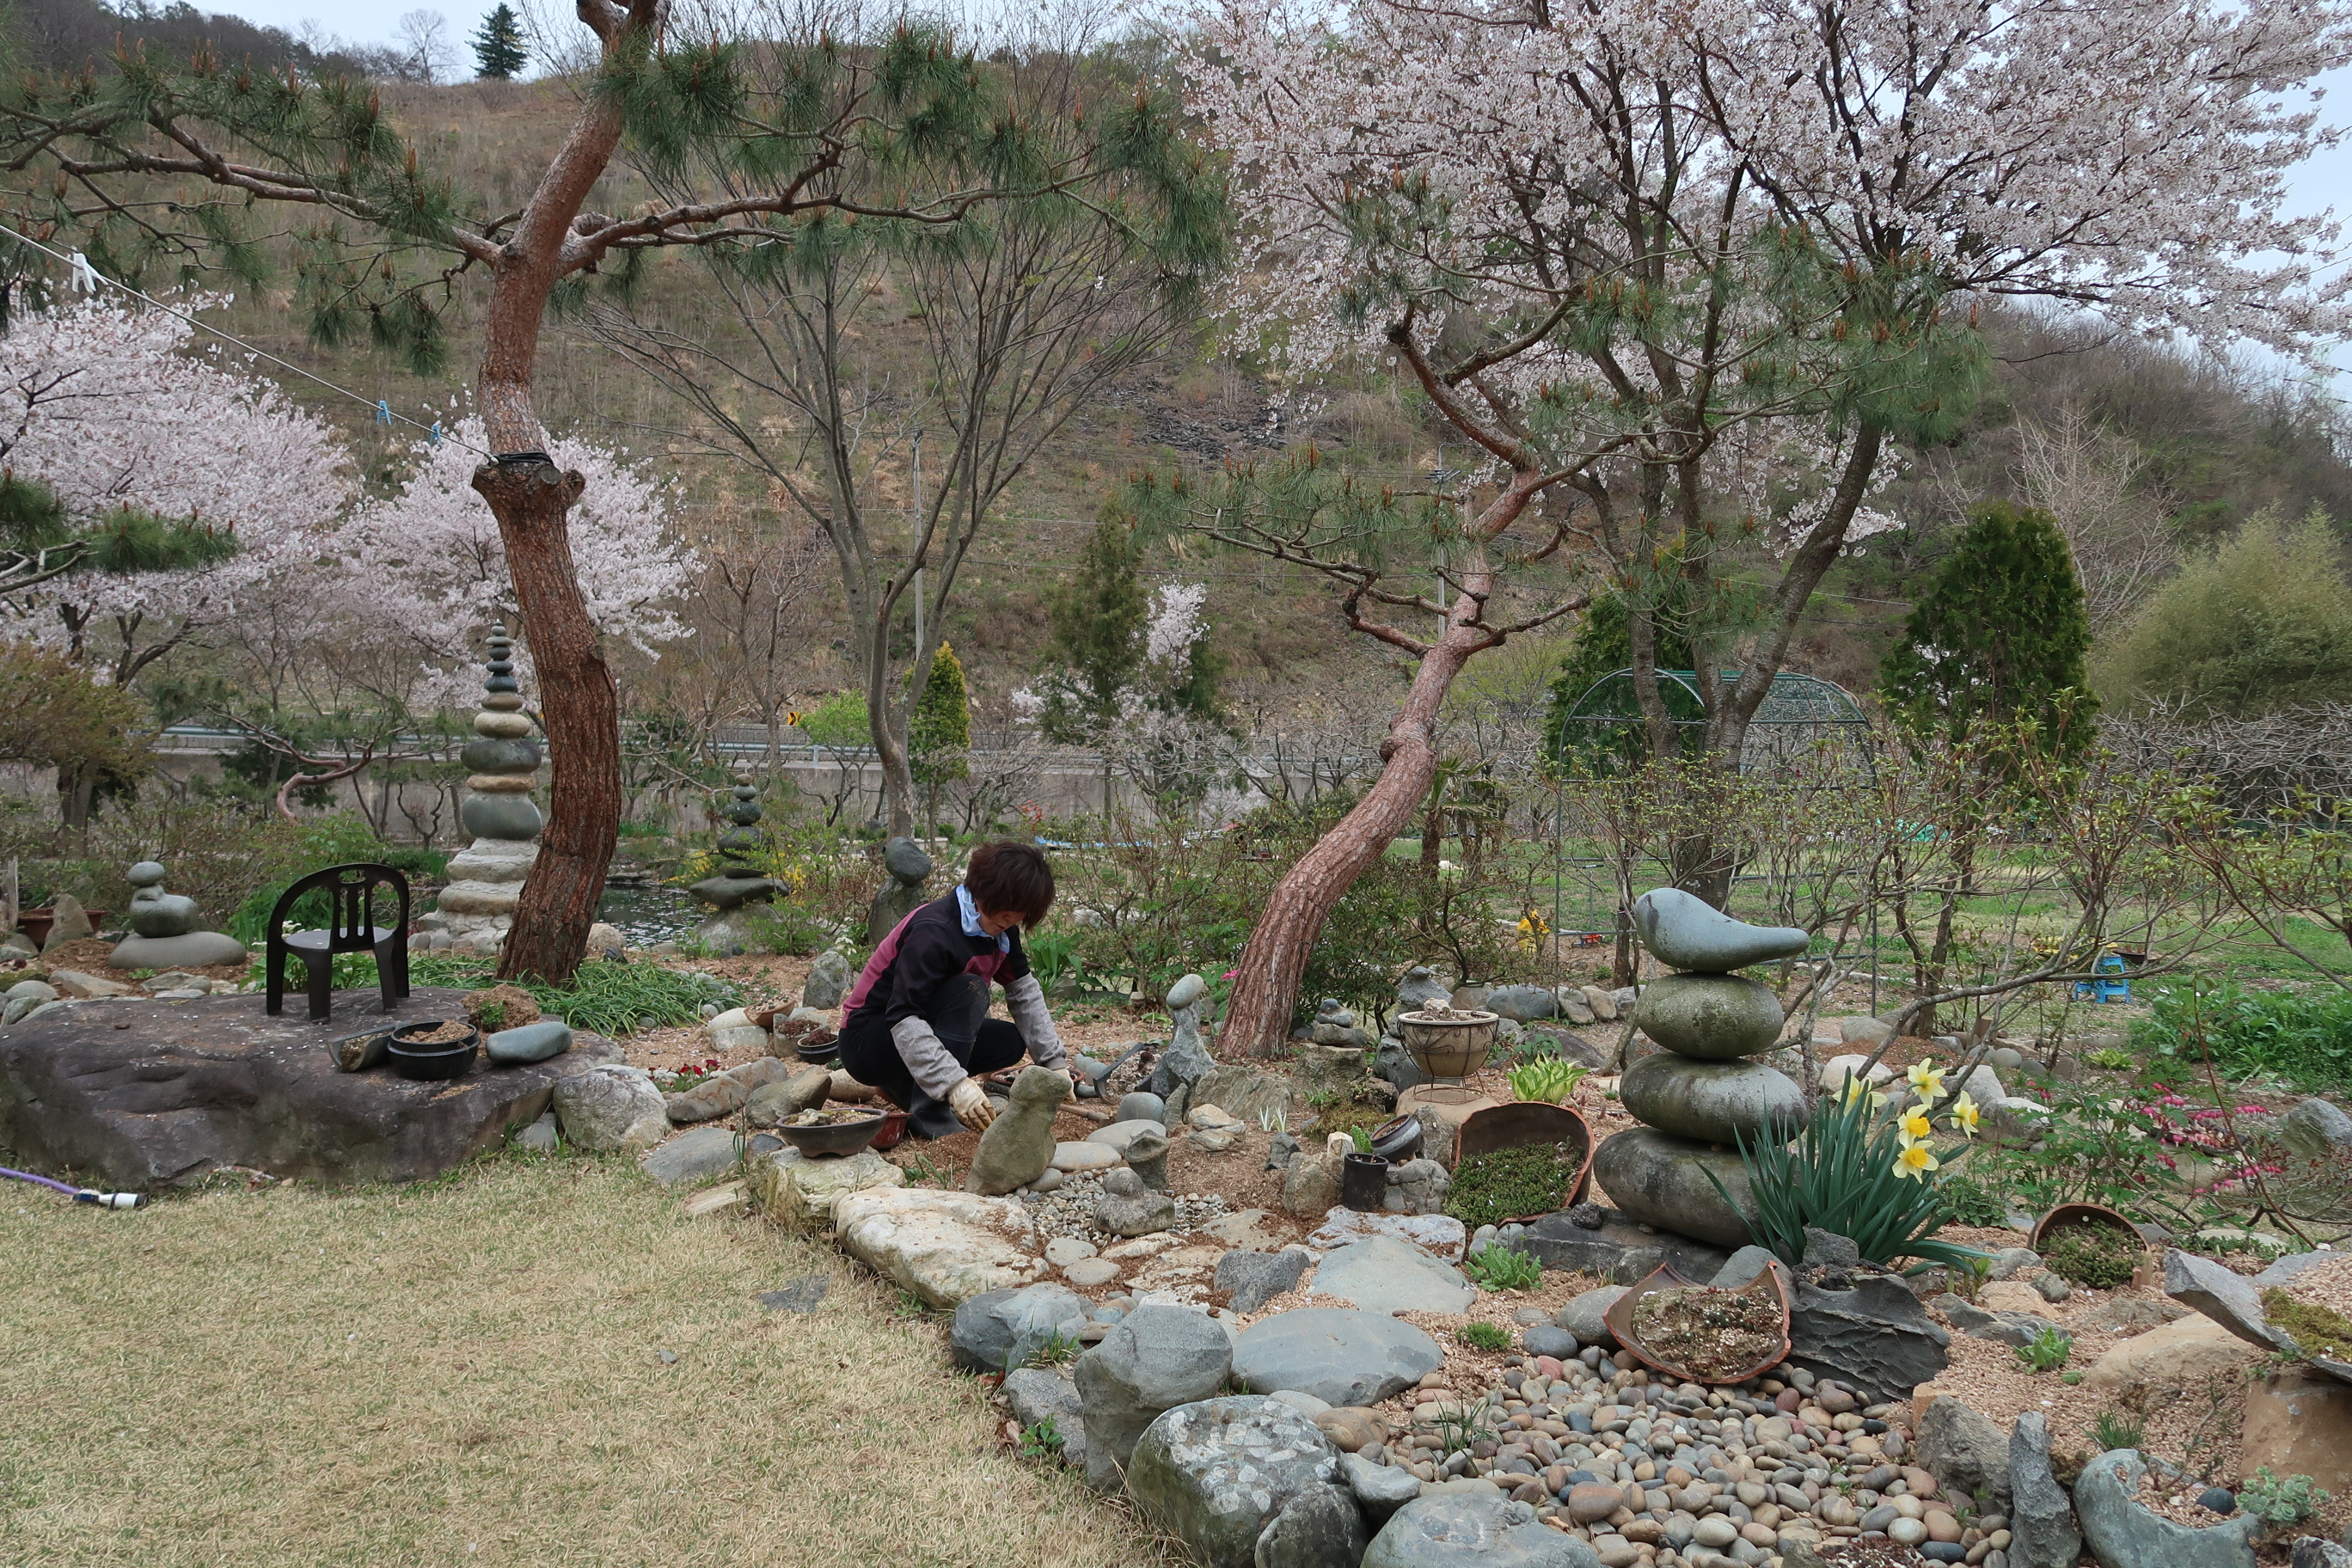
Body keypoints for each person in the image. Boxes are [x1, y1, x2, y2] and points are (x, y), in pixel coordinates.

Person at [836, 839, 1069, 1139]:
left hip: (911, 1035)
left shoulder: (1001, 930)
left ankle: (903, 1086)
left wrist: (1053, 1062)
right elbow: (903, 1016)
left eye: (1019, 913)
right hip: (867, 1041)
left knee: (1009, 1041)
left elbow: (1023, 992)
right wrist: (953, 1083)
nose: (1011, 920)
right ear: (984, 891)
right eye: (1007, 910)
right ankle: (931, 1114)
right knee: (969, 988)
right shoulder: (934, 931)